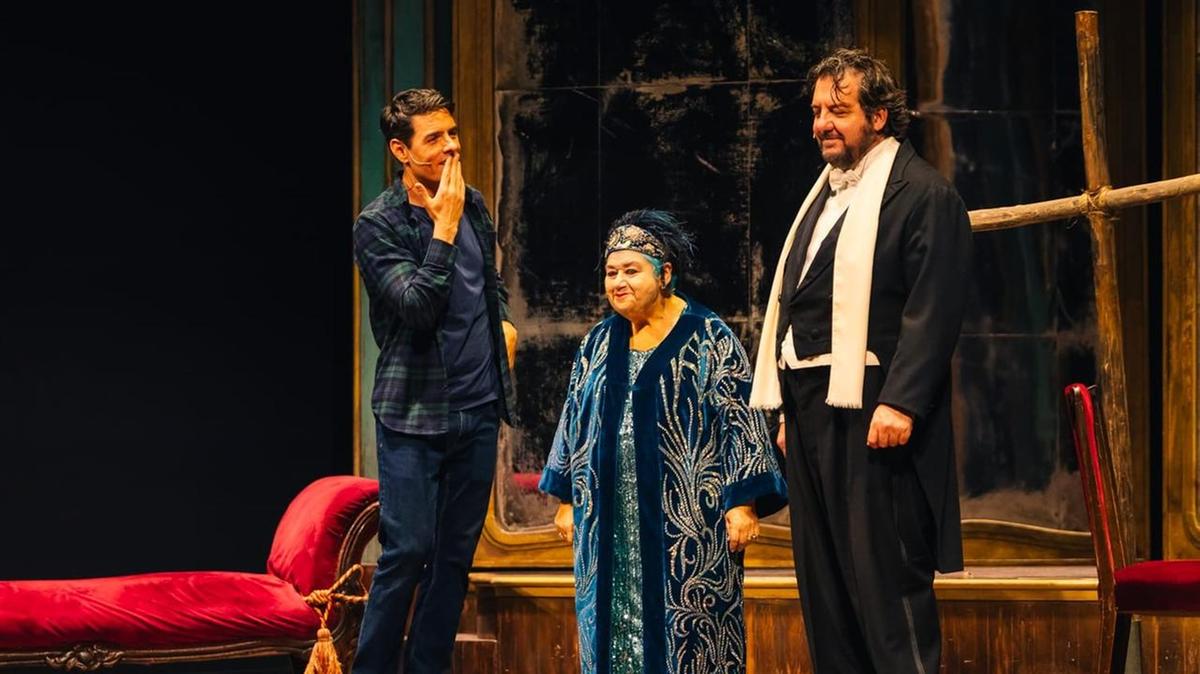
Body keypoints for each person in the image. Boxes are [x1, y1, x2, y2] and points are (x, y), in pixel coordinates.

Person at [750, 48, 972, 674]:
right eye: (817, 110)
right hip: (813, 412)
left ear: (877, 116)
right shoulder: (821, 197)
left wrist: (901, 401)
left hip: (876, 412)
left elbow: (934, 306)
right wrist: (789, 409)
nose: (822, 122)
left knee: (886, 589)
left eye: (838, 110)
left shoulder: (922, 194)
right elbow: (798, 302)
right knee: (827, 593)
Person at [540, 210, 787, 674]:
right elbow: (575, 416)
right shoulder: (597, 343)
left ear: (665, 274)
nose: (618, 282)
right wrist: (568, 497)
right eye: (611, 272)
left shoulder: (708, 337)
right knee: (609, 639)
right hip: (608, 520)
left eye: (631, 271)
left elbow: (740, 418)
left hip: (689, 525)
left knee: (693, 641)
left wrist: (743, 502)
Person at [351, 88, 518, 674]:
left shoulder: (472, 202)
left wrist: (503, 321)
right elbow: (417, 307)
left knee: (453, 559)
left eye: (452, 132)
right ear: (402, 150)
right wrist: (442, 230)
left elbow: (488, 281)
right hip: (414, 414)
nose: (451, 146)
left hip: (477, 408)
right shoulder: (378, 224)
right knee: (408, 552)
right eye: (434, 138)